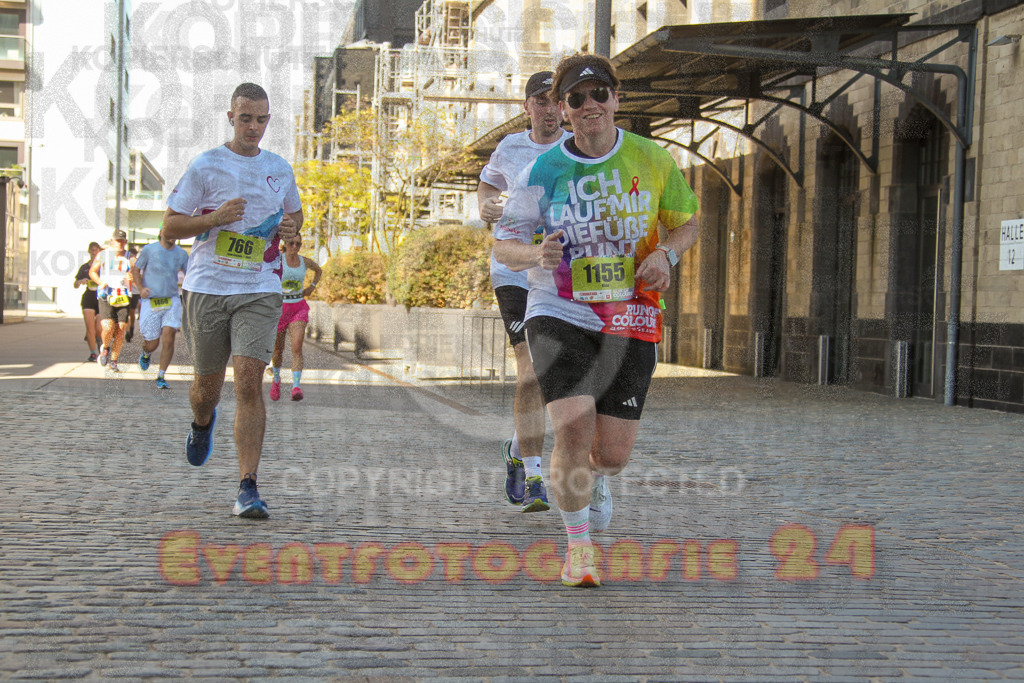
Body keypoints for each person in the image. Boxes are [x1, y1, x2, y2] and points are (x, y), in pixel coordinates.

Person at [493, 54, 700, 587]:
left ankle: (595, 477)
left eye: (599, 94)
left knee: (611, 453)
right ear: (563, 110)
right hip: (557, 310)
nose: (590, 105)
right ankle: (578, 548)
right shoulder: (541, 171)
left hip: (631, 314)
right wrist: (533, 254)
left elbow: (687, 223)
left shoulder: (651, 159)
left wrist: (668, 254)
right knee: (572, 424)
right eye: (576, 98)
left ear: (615, 99)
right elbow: (503, 244)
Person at [163, 82, 302, 519]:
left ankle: (247, 486)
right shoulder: (206, 165)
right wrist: (214, 218)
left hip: (260, 287)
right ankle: (202, 422)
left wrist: (291, 228)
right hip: (208, 287)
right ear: (230, 118)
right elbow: (170, 227)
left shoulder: (279, 168)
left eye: (261, 119)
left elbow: (295, 213)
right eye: (245, 118)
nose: (253, 127)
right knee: (206, 390)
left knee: (247, 382)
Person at [478, 71, 571, 514]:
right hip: (514, 269)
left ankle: (516, 449)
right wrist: (485, 204)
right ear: (527, 106)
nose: (550, 109)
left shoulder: (579, 147)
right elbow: (488, 184)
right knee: (530, 369)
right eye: (541, 100)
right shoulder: (510, 147)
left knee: (557, 375)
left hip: (561, 274)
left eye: (557, 100)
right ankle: (534, 477)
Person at [131, 228, 189, 389]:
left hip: (172, 300)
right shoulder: (149, 250)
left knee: (169, 336)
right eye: (169, 232)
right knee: (152, 343)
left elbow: (191, 274)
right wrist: (141, 288)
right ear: (162, 233)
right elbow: (135, 269)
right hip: (151, 301)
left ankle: (161, 375)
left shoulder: (182, 254)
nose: (172, 236)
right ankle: (146, 353)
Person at [269, 235, 321, 402]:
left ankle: (296, 387)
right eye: (291, 243)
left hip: (298, 307)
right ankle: (276, 379)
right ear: (285, 244)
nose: (295, 246)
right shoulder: (278, 260)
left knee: (297, 347)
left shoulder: (304, 261)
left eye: (298, 244)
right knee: (278, 350)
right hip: (279, 308)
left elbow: (319, 270)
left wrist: (311, 287)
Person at [89, 230, 134, 372]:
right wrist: (100, 282)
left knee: (120, 329)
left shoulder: (130, 257)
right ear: (112, 241)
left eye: (122, 241)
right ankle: (105, 347)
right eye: (117, 241)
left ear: (125, 242)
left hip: (123, 296)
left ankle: (113, 361)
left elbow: (137, 274)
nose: (119, 244)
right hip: (106, 295)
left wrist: (133, 277)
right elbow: (92, 271)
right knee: (108, 327)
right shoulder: (102, 255)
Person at [73, 241, 103, 362]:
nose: (94, 252)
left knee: (99, 328)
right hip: (88, 298)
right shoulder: (85, 267)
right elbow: (75, 284)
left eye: (96, 250)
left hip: (101, 298)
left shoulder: (103, 267)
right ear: (89, 251)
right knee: (90, 328)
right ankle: (93, 353)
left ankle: (100, 341)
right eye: (92, 250)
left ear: (99, 251)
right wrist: (80, 281)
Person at [125, 246, 141, 343]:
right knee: (126, 312)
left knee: (132, 312)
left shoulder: (138, 265)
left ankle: (131, 327)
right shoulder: (125, 265)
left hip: (135, 292)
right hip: (126, 292)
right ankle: (127, 330)